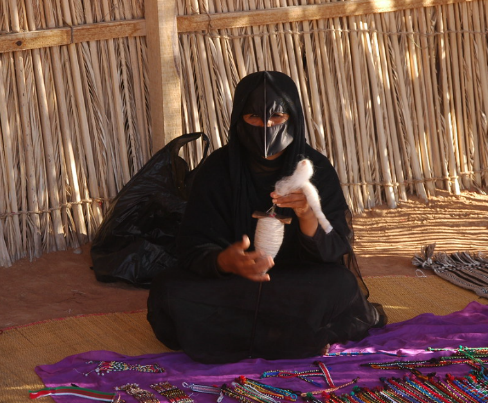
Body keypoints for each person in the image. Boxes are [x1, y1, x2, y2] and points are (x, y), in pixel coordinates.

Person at [147, 71, 386, 364]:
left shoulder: (314, 169)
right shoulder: (217, 170)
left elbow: (336, 247)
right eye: (255, 118)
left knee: (340, 286)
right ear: (239, 120)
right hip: (234, 284)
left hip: (297, 283)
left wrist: (308, 214)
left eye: (277, 118)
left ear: (294, 118)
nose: (266, 127)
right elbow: (193, 246)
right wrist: (228, 261)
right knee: (168, 289)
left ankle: (250, 335)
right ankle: (296, 335)